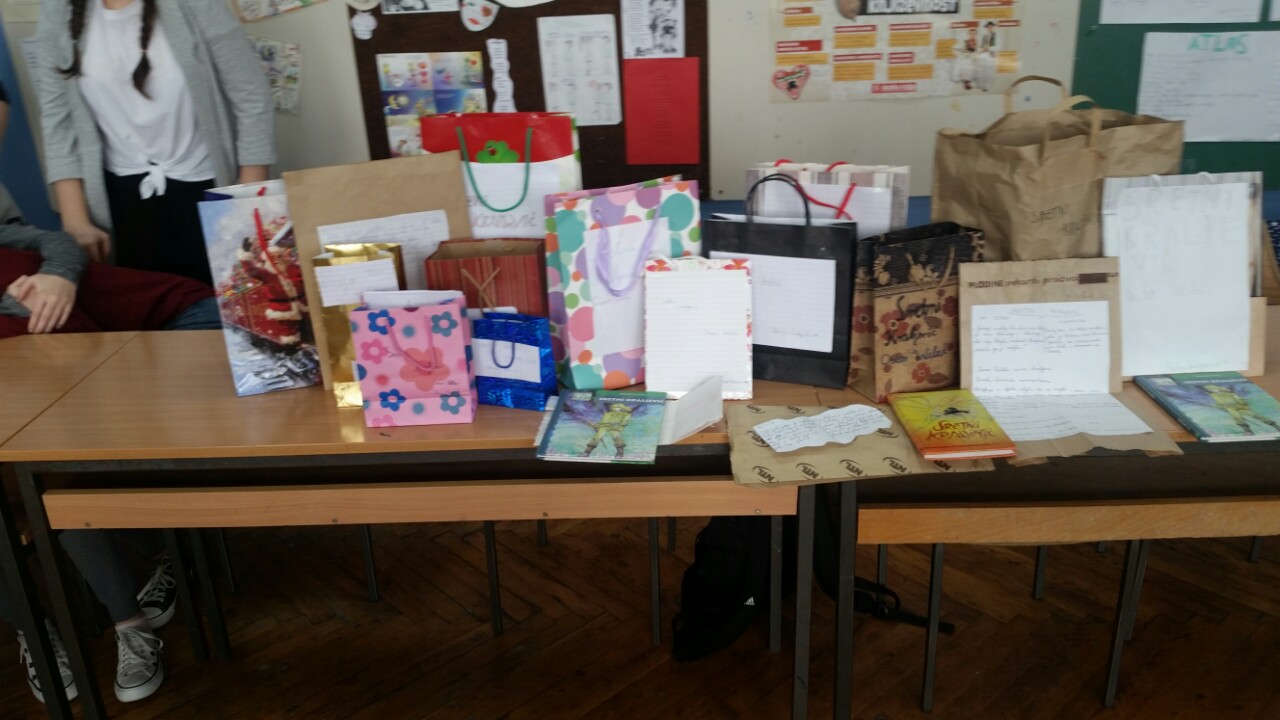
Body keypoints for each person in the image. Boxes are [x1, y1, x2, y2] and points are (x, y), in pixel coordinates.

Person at [34, 0, 276, 285]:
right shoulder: (57, 9)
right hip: (119, 200)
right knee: (144, 305)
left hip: (211, 189)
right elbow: (57, 118)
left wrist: (246, 201)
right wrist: (75, 220)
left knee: (230, 300)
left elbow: (251, 98)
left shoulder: (195, 5)